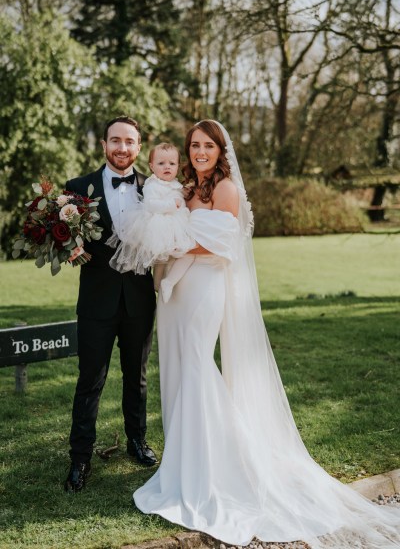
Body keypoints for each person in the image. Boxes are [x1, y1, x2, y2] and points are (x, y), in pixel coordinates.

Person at [133, 120, 400, 548]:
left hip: (204, 286)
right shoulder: (186, 189)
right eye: (194, 146)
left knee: (198, 366)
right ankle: (182, 460)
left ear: (221, 152)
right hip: (176, 292)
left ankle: (218, 467)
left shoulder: (225, 191)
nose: (200, 152)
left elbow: (222, 244)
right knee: (179, 367)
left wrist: (175, 246)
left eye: (208, 146)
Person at [64, 116, 157, 493]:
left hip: (140, 301)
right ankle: (80, 459)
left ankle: (137, 442)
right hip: (96, 302)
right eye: (115, 140)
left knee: (137, 378)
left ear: (138, 146)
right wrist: (68, 248)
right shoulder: (76, 189)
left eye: (129, 141)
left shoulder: (155, 190)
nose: (122, 148)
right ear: (104, 145)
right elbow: (64, 240)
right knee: (90, 382)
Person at [106, 142, 196, 299]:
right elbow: (150, 204)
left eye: (172, 163)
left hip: (176, 224)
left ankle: (169, 281)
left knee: (187, 252)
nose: (167, 167)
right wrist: (171, 205)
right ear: (152, 166)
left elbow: (181, 202)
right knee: (160, 258)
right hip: (158, 224)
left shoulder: (177, 185)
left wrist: (182, 201)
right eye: (161, 163)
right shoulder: (152, 184)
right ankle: (157, 284)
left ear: (178, 166)